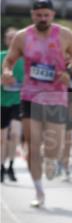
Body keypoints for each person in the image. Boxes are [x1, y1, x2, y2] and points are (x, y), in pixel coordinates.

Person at [2, 0, 72, 207]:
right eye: (38, 15)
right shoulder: (22, 37)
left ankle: (51, 159)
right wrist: (7, 72)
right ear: (32, 15)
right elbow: (10, 59)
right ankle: (39, 191)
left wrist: (69, 71)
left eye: (46, 15)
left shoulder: (64, 34)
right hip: (30, 96)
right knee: (33, 143)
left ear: (52, 15)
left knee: (54, 147)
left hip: (56, 96)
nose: (42, 18)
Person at [1, 27, 23, 183]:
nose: (12, 40)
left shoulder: (27, 60)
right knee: (2, 138)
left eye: (15, 37)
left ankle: (11, 165)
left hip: (18, 101)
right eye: (9, 38)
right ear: (5, 40)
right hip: (2, 102)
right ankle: (1, 167)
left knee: (15, 134)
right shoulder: (1, 56)